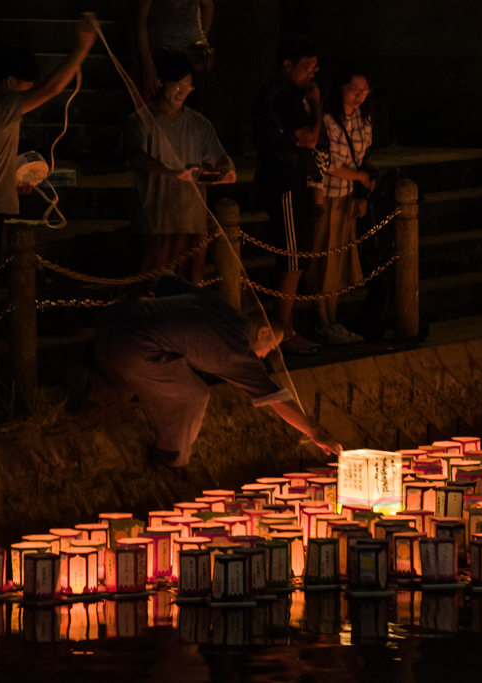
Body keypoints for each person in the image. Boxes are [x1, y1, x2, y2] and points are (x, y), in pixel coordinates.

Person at [0, 14, 99, 411]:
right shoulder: (1, 105)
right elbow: (53, 87)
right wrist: (82, 45)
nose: (28, 97)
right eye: (25, 87)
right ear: (13, 82)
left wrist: (8, 182)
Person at [72, 272, 342, 473]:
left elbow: (164, 281)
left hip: (114, 322)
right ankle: (169, 460)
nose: (263, 356)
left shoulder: (219, 306)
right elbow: (276, 398)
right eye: (269, 347)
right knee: (194, 395)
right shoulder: (237, 347)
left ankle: (77, 382)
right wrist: (313, 431)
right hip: (134, 348)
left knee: (121, 386)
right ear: (262, 332)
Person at [126, 50, 236, 286]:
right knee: (150, 292)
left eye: (187, 87)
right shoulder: (141, 120)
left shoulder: (198, 123)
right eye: (177, 86)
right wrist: (174, 172)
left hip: (192, 223)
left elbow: (221, 157)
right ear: (161, 83)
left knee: (189, 292)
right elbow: (136, 157)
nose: (182, 92)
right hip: (155, 223)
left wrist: (227, 170)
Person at [251, 36, 324, 355]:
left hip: (287, 179)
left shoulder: (280, 95)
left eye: (315, 68)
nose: (312, 74)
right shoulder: (282, 97)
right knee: (292, 258)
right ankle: (284, 329)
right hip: (284, 182)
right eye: (306, 68)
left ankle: (285, 325)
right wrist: (317, 105)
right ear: (287, 66)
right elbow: (309, 138)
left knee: (297, 257)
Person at [306, 65, 375, 344]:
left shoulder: (364, 118)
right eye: (353, 90)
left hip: (346, 196)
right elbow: (330, 164)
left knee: (337, 259)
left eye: (364, 91)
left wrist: (359, 189)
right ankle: (322, 321)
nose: (359, 96)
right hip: (327, 194)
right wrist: (359, 176)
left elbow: (363, 157)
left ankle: (332, 319)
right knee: (322, 256)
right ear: (340, 89)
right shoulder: (326, 120)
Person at [134, 0, 215, 104]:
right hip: (161, 47)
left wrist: (202, 40)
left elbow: (208, 5)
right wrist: (148, 64)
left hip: (191, 50)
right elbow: (140, 20)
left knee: (187, 98)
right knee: (158, 100)